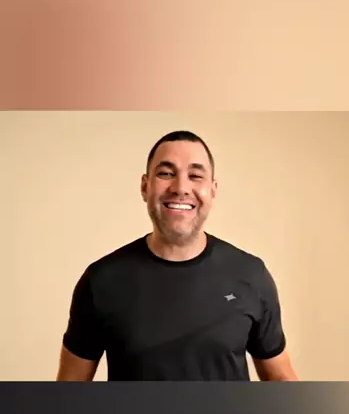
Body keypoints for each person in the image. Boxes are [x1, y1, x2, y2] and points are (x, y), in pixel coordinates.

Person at [57, 131, 298, 381]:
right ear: (145, 187)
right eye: (166, 173)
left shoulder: (251, 275)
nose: (181, 188)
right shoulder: (101, 281)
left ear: (212, 190)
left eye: (195, 176)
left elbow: (282, 381)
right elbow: (68, 393)